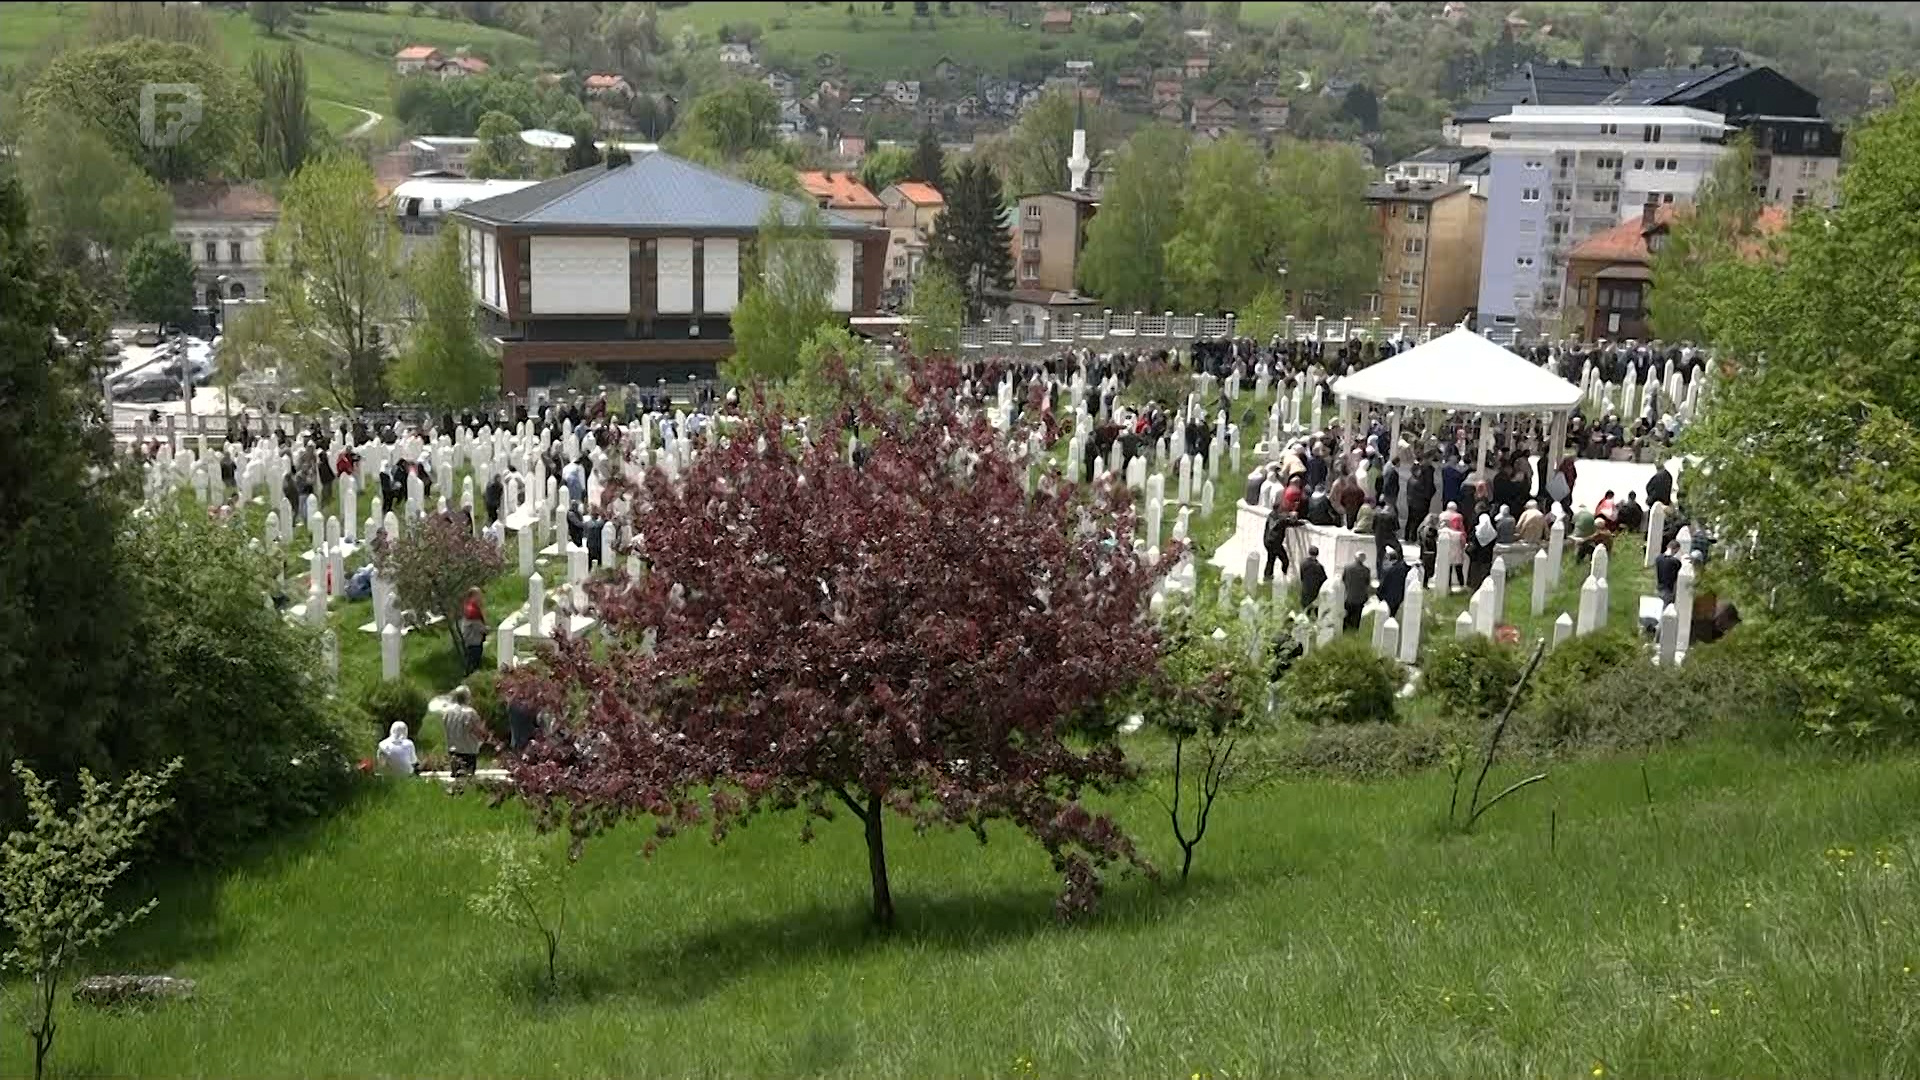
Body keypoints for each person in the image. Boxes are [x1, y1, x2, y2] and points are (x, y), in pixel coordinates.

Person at [441, 685, 482, 778]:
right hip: (468, 752)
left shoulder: (447, 712)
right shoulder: (470, 713)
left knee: (456, 779)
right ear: (467, 697)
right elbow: (477, 731)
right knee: (467, 780)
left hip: (453, 751)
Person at [459, 587, 488, 673]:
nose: (481, 597)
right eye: (479, 595)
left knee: (472, 660)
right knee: (474, 663)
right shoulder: (472, 610)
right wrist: (486, 630)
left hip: (472, 640)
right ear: (474, 596)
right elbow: (479, 627)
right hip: (473, 641)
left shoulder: (470, 606)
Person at [1377, 548, 1411, 618]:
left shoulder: (1389, 570)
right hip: (1399, 597)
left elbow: (1384, 584)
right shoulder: (1404, 569)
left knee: (1388, 615)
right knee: (1393, 614)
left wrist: (1379, 595)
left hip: (1389, 597)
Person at [1341, 553, 1372, 631]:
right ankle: (1354, 630)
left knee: (1346, 614)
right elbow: (1367, 583)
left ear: (1355, 558)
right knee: (1357, 616)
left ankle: (1344, 628)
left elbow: (1343, 580)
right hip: (1360, 597)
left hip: (1348, 596)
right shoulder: (1366, 570)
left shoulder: (1347, 568)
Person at [1372, 495, 1400, 573]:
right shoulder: (1392, 516)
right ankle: (1396, 569)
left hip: (1379, 537)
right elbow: (1396, 528)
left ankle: (1379, 572)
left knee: (1379, 556)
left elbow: (1373, 527)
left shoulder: (1376, 515)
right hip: (1390, 537)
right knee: (1398, 552)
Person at [1298, 545, 1327, 613]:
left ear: (1309, 552)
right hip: (1315, 592)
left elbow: (1301, 576)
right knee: (1315, 610)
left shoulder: (1303, 563)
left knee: (1305, 610)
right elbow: (1324, 579)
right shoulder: (1319, 566)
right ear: (1317, 554)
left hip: (1305, 589)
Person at [1655, 540, 1683, 605]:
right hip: (1669, 590)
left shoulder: (1658, 558)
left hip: (1659, 587)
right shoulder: (1675, 562)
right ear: (1675, 549)